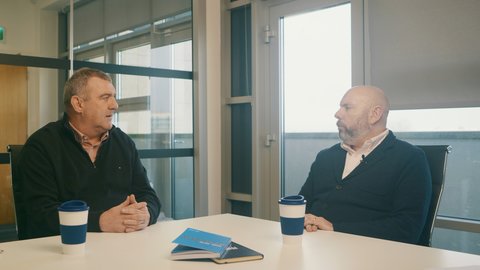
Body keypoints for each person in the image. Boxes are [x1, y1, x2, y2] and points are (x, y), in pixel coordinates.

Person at [18, 68, 161, 239]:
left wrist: (146, 215)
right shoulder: (41, 146)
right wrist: (100, 222)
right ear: (78, 104)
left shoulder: (123, 142)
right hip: (65, 251)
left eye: (114, 97)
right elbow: (40, 214)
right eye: (105, 97)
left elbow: (147, 195)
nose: (115, 105)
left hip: (122, 244)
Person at [299, 85, 432, 244]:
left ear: (374, 114)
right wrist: (305, 219)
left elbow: (406, 228)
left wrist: (334, 227)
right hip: (314, 248)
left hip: (373, 256)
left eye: (347, 108)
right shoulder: (326, 157)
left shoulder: (410, 158)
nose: (337, 114)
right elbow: (302, 206)